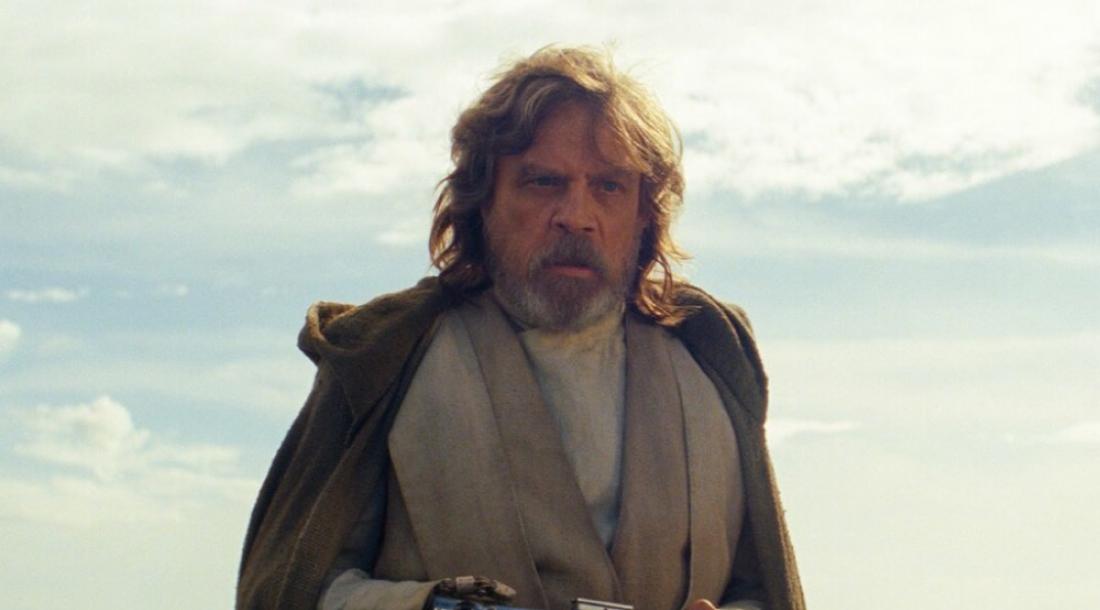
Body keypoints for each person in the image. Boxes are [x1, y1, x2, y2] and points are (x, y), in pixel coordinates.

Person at [237, 46, 805, 610]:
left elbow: (760, 590)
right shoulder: (387, 360)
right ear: (484, 200)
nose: (576, 216)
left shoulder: (709, 361)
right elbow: (291, 590)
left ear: (642, 213)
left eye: (609, 186)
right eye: (543, 182)